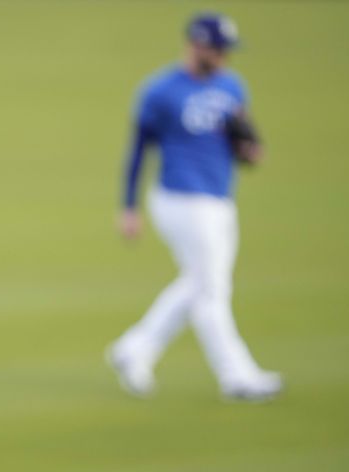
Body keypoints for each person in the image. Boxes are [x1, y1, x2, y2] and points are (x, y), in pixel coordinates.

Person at [107, 13, 283, 401]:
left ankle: (133, 349)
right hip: (180, 198)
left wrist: (251, 152)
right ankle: (237, 377)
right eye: (218, 49)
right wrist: (129, 206)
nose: (223, 57)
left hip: (221, 198)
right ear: (197, 45)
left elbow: (244, 142)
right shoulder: (160, 91)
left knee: (198, 283)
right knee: (211, 291)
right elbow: (139, 150)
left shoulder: (233, 86)